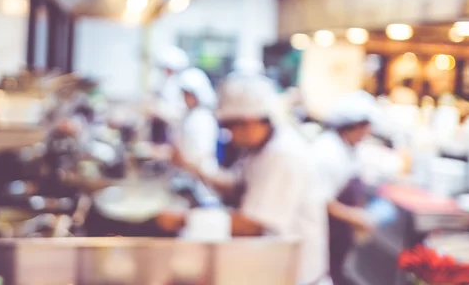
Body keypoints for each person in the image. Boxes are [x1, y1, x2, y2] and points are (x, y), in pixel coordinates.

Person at [159, 74, 330, 285]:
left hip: (296, 277)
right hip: (268, 265)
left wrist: (183, 219)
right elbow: (235, 186)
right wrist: (190, 166)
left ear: (250, 122)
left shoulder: (282, 155)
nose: (229, 134)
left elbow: (253, 224)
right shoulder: (257, 149)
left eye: (230, 127)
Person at [312, 91, 378, 285]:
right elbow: (320, 201)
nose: (368, 133)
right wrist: (355, 217)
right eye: (366, 127)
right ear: (355, 126)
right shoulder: (327, 152)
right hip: (324, 233)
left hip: (339, 235)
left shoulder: (349, 147)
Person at [174, 67, 219, 174]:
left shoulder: (202, 118)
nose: (185, 98)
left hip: (202, 175)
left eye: (188, 95)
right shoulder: (191, 115)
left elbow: (201, 154)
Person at [148, 45, 190, 144]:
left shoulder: (182, 84)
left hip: (176, 132)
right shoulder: (163, 82)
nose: (165, 72)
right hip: (161, 129)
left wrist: (158, 111)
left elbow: (179, 113)